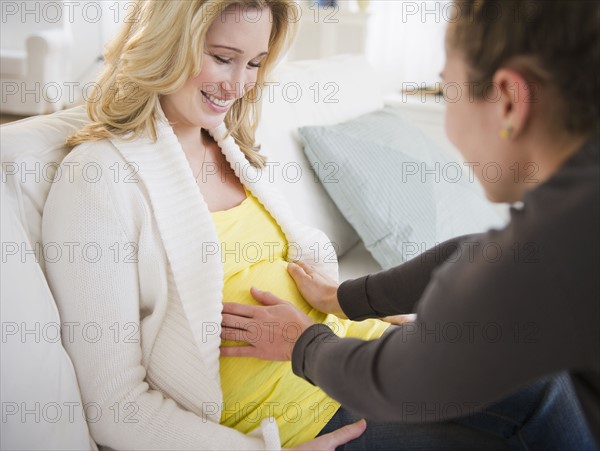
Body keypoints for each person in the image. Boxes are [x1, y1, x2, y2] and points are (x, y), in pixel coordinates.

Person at [221, 1, 600, 449]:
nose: (450, 127)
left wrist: (301, 341)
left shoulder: (554, 246)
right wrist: (343, 297)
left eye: (447, 92)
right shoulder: (574, 206)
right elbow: (476, 252)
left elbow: (399, 379)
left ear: (511, 103)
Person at [42, 0, 393, 449]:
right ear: (166, 45)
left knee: (507, 372)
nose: (238, 84)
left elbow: (306, 277)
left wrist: (369, 306)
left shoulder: (233, 149)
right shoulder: (98, 177)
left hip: (357, 356)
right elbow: (115, 406)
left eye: (255, 64)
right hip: (313, 427)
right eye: (223, 58)